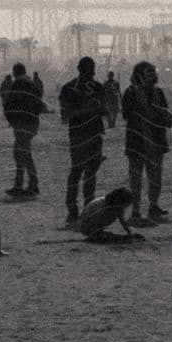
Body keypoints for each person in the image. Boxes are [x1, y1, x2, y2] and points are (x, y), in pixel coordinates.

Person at [57, 57, 106, 225]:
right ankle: (87, 208)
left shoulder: (67, 88)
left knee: (77, 171)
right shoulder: (98, 87)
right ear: (93, 70)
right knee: (89, 173)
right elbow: (107, 111)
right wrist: (91, 108)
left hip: (78, 134)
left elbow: (65, 116)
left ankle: (73, 210)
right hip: (93, 134)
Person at [122, 60, 172, 221]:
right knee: (137, 177)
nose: (152, 76)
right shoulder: (130, 93)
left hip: (154, 139)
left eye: (153, 73)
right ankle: (136, 209)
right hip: (138, 140)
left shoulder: (158, 93)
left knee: (155, 176)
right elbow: (128, 115)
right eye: (148, 73)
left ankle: (153, 205)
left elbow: (166, 116)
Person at [0, 62, 45, 198]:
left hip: (22, 124)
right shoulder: (31, 84)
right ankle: (20, 184)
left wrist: (12, 120)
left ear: (15, 73)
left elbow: (9, 105)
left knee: (24, 154)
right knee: (20, 153)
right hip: (31, 123)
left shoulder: (18, 84)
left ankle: (32, 184)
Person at [77, 187, 142, 243]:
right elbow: (92, 219)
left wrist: (130, 235)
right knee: (111, 237)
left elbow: (123, 221)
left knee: (113, 237)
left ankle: (100, 235)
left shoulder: (113, 204)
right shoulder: (103, 206)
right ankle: (97, 236)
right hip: (86, 227)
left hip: (92, 227)